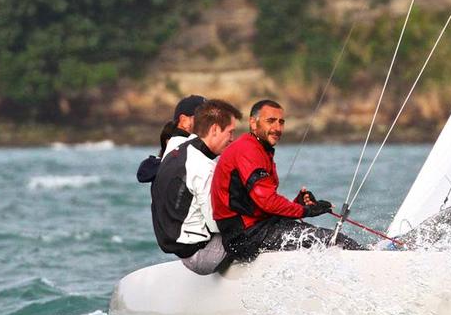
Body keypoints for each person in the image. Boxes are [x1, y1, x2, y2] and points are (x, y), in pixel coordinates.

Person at [211, 99, 362, 261]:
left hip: (259, 228)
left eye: (281, 122)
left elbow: (261, 204)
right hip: (245, 238)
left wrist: (298, 204)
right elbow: (267, 201)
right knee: (336, 241)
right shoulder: (247, 150)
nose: (277, 128)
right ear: (253, 123)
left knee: (325, 238)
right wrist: (306, 211)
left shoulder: (260, 149)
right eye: (270, 121)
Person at [151, 99, 242, 274]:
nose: (232, 139)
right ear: (214, 129)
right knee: (260, 230)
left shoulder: (178, 148)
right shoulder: (203, 168)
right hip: (202, 256)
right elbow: (217, 224)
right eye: (230, 132)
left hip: (181, 248)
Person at [136, 94, 207, 183]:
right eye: (205, 118)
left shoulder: (173, 153)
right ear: (184, 121)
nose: (211, 123)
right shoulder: (190, 152)